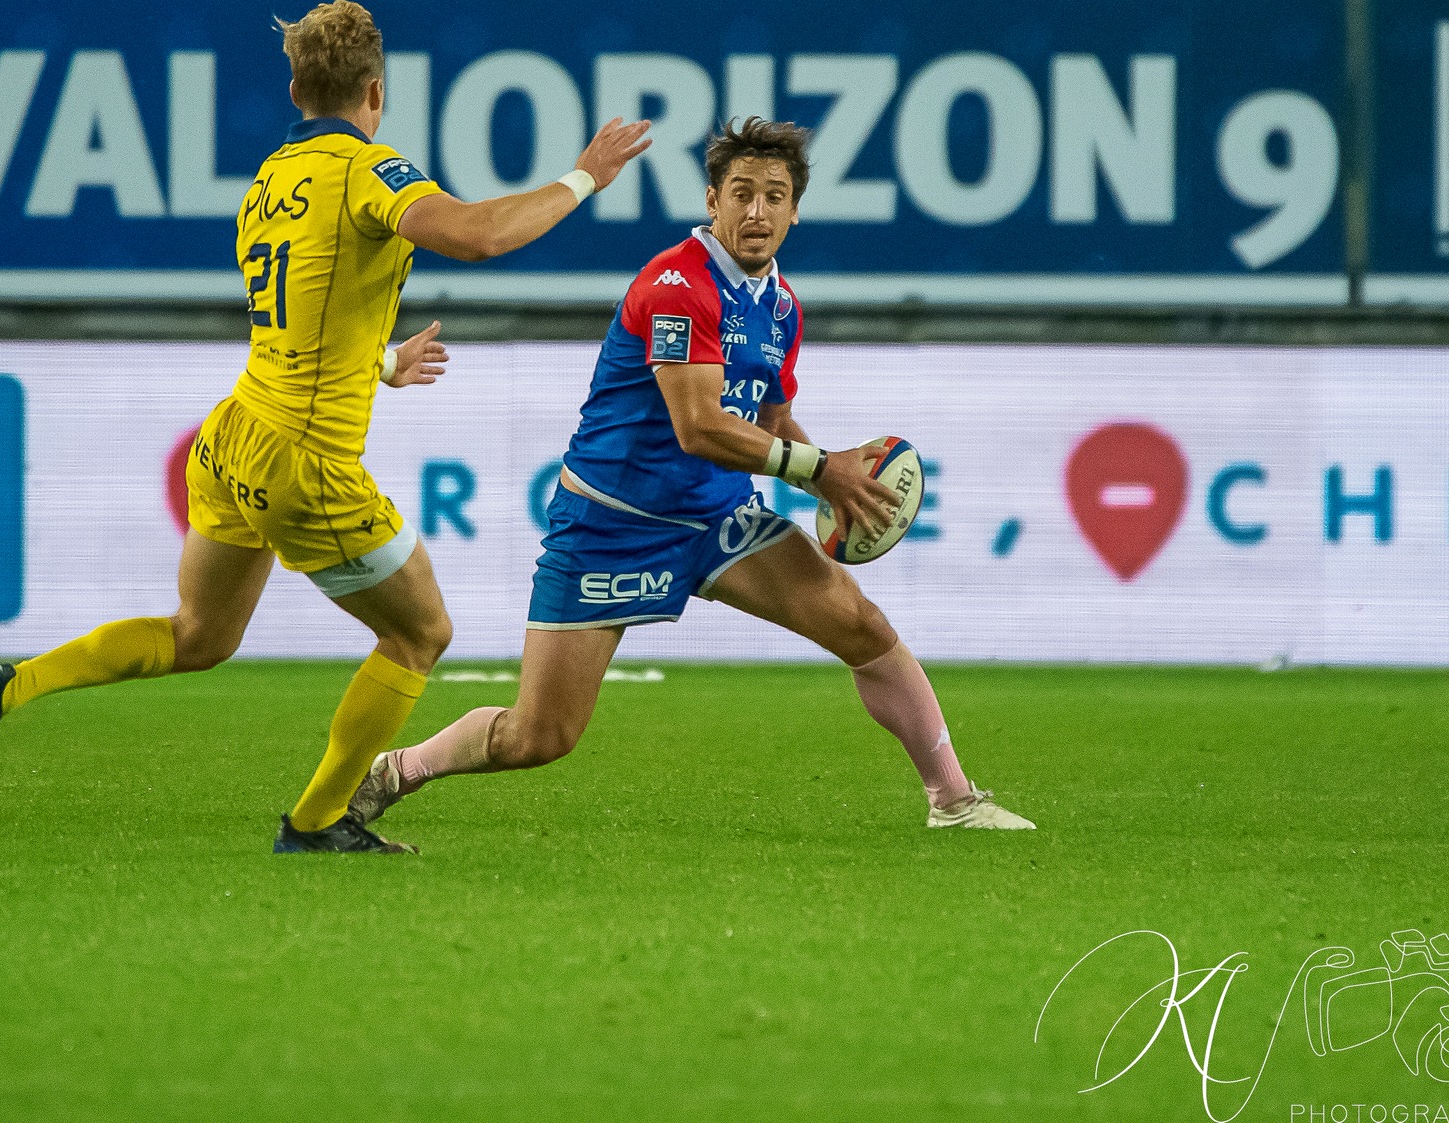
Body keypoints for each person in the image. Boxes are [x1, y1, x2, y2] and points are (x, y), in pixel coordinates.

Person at [0, 0, 653, 854]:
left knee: (199, 634)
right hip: (304, 457)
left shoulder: (268, 184)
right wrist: (585, 175)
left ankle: (9, 684)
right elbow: (479, 234)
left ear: (297, 88)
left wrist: (378, 364)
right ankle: (315, 821)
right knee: (420, 632)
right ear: (375, 92)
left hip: (232, 435)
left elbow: (301, 317)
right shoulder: (369, 169)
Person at [348, 117, 1034, 837]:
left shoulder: (781, 307)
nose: (758, 211)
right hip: (612, 523)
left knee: (863, 626)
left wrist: (834, 480)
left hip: (716, 519)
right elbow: (699, 425)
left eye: (775, 196)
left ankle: (954, 799)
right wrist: (819, 468)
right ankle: (397, 769)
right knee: (539, 735)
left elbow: (768, 420)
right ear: (713, 201)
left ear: (796, 209)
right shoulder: (676, 283)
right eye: (742, 193)